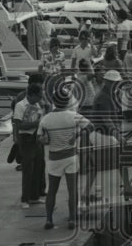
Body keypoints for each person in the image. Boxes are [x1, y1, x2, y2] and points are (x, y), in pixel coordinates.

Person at [39, 86, 92, 230]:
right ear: (67, 101)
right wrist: (77, 135)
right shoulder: (73, 115)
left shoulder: (45, 119)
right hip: (71, 156)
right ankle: (72, 219)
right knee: (72, 190)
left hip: (54, 158)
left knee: (52, 190)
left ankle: (49, 219)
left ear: (54, 101)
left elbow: (41, 139)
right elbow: (90, 127)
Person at [13, 83, 47, 208]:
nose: (40, 98)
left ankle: (34, 196)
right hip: (26, 138)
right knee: (28, 169)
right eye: (39, 96)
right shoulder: (20, 106)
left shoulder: (37, 105)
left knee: (39, 167)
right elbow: (19, 125)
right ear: (32, 95)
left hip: (36, 138)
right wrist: (36, 123)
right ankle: (24, 199)